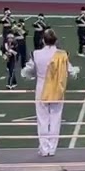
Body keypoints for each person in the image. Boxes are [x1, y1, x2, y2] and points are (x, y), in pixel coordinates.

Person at [21, 29, 74, 157]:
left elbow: (28, 71)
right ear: (56, 40)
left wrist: (28, 75)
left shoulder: (36, 54)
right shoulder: (62, 54)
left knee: (42, 119)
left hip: (42, 88)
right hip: (57, 88)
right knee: (56, 118)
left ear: (43, 40)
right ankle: (52, 148)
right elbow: (71, 71)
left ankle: (44, 148)